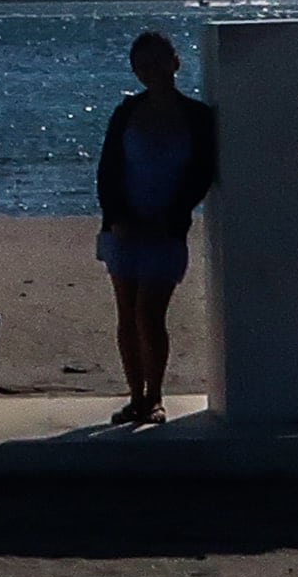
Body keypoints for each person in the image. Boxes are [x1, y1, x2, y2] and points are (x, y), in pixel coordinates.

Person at [92, 31, 218, 427]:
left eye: (157, 62)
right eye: (141, 66)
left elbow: (203, 174)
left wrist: (176, 213)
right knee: (127, 315)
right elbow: (108, 171)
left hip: (167, 229)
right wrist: (117, 218)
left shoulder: (198, 117)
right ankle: (135, 397)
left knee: (150, 313)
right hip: (125, 227)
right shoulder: (126, 113)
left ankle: (155, 396)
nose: (150, 72)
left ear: (174, 63)